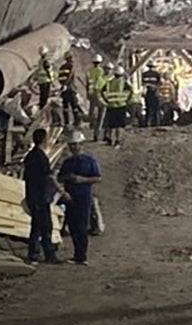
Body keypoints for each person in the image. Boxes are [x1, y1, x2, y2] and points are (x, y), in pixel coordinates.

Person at [55, 130, 101, 264]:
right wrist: (67, 177)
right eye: (72, 145)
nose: (74, 147)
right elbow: (59, 178)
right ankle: (77, 255)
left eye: (76, 144)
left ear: (82, 145)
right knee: (73, 226)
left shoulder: (90, 161)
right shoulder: (67, 162)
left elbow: (98, 178)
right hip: (70, 197)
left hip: (84, 196)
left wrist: (82, 179)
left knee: (82, 227)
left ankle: (81, 256)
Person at [22, 127, 59, 263]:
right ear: (45, 139)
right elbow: (48, 176)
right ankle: (48, 254)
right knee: (45, 226)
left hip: (32, 195)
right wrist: (59, 189)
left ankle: (34, 253)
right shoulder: (41, 158)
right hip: (41, 197)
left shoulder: (29, 156)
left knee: (36, 226)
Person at [100, 70, 132, 146]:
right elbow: (131, 91)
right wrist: (127, 100)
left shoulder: (109, 82)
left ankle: (109, 139)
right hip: (121, 106)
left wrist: (106, 100)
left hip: (111, 105)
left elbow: (102, 91)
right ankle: (117, 140)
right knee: (119, 125)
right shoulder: (124, 83)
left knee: (110, 124)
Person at [58, 50, 81, 128]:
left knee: (66, 107)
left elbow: (60, 78)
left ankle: (67, 122)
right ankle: (76, 122)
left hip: (65, 89)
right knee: (74, 106)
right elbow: (70, 76)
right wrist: (66, 84)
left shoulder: (62, 67)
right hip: (71, 89)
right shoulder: (71, 66)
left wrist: (63, 84)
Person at [141, 61, 165, 128]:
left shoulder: (144, 74)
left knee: (148, 108)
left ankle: (147, 123)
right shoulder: (157, 74)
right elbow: (160, 84)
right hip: (154, 93)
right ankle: (156, 123)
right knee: (156, 109)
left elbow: (143, 84)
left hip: (148, 93)